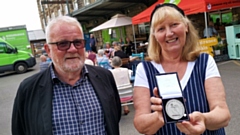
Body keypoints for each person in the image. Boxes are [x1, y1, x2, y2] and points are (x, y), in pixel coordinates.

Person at [12, 16, 121, 135]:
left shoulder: (104, 77)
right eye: (63, 44)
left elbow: (114, 117)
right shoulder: (29, 89)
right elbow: (20, 130)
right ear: (48, 50)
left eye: (78, 42)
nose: (73, 49)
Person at [133, 3, 230, 135]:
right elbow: (140, 124)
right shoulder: (144, 69)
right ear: (154, 36)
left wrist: (204, 119)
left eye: (174, 24)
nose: (169, 33)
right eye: (161, 29)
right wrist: (158, 117)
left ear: (186, 27)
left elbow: (223, 114)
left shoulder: (205, 62)